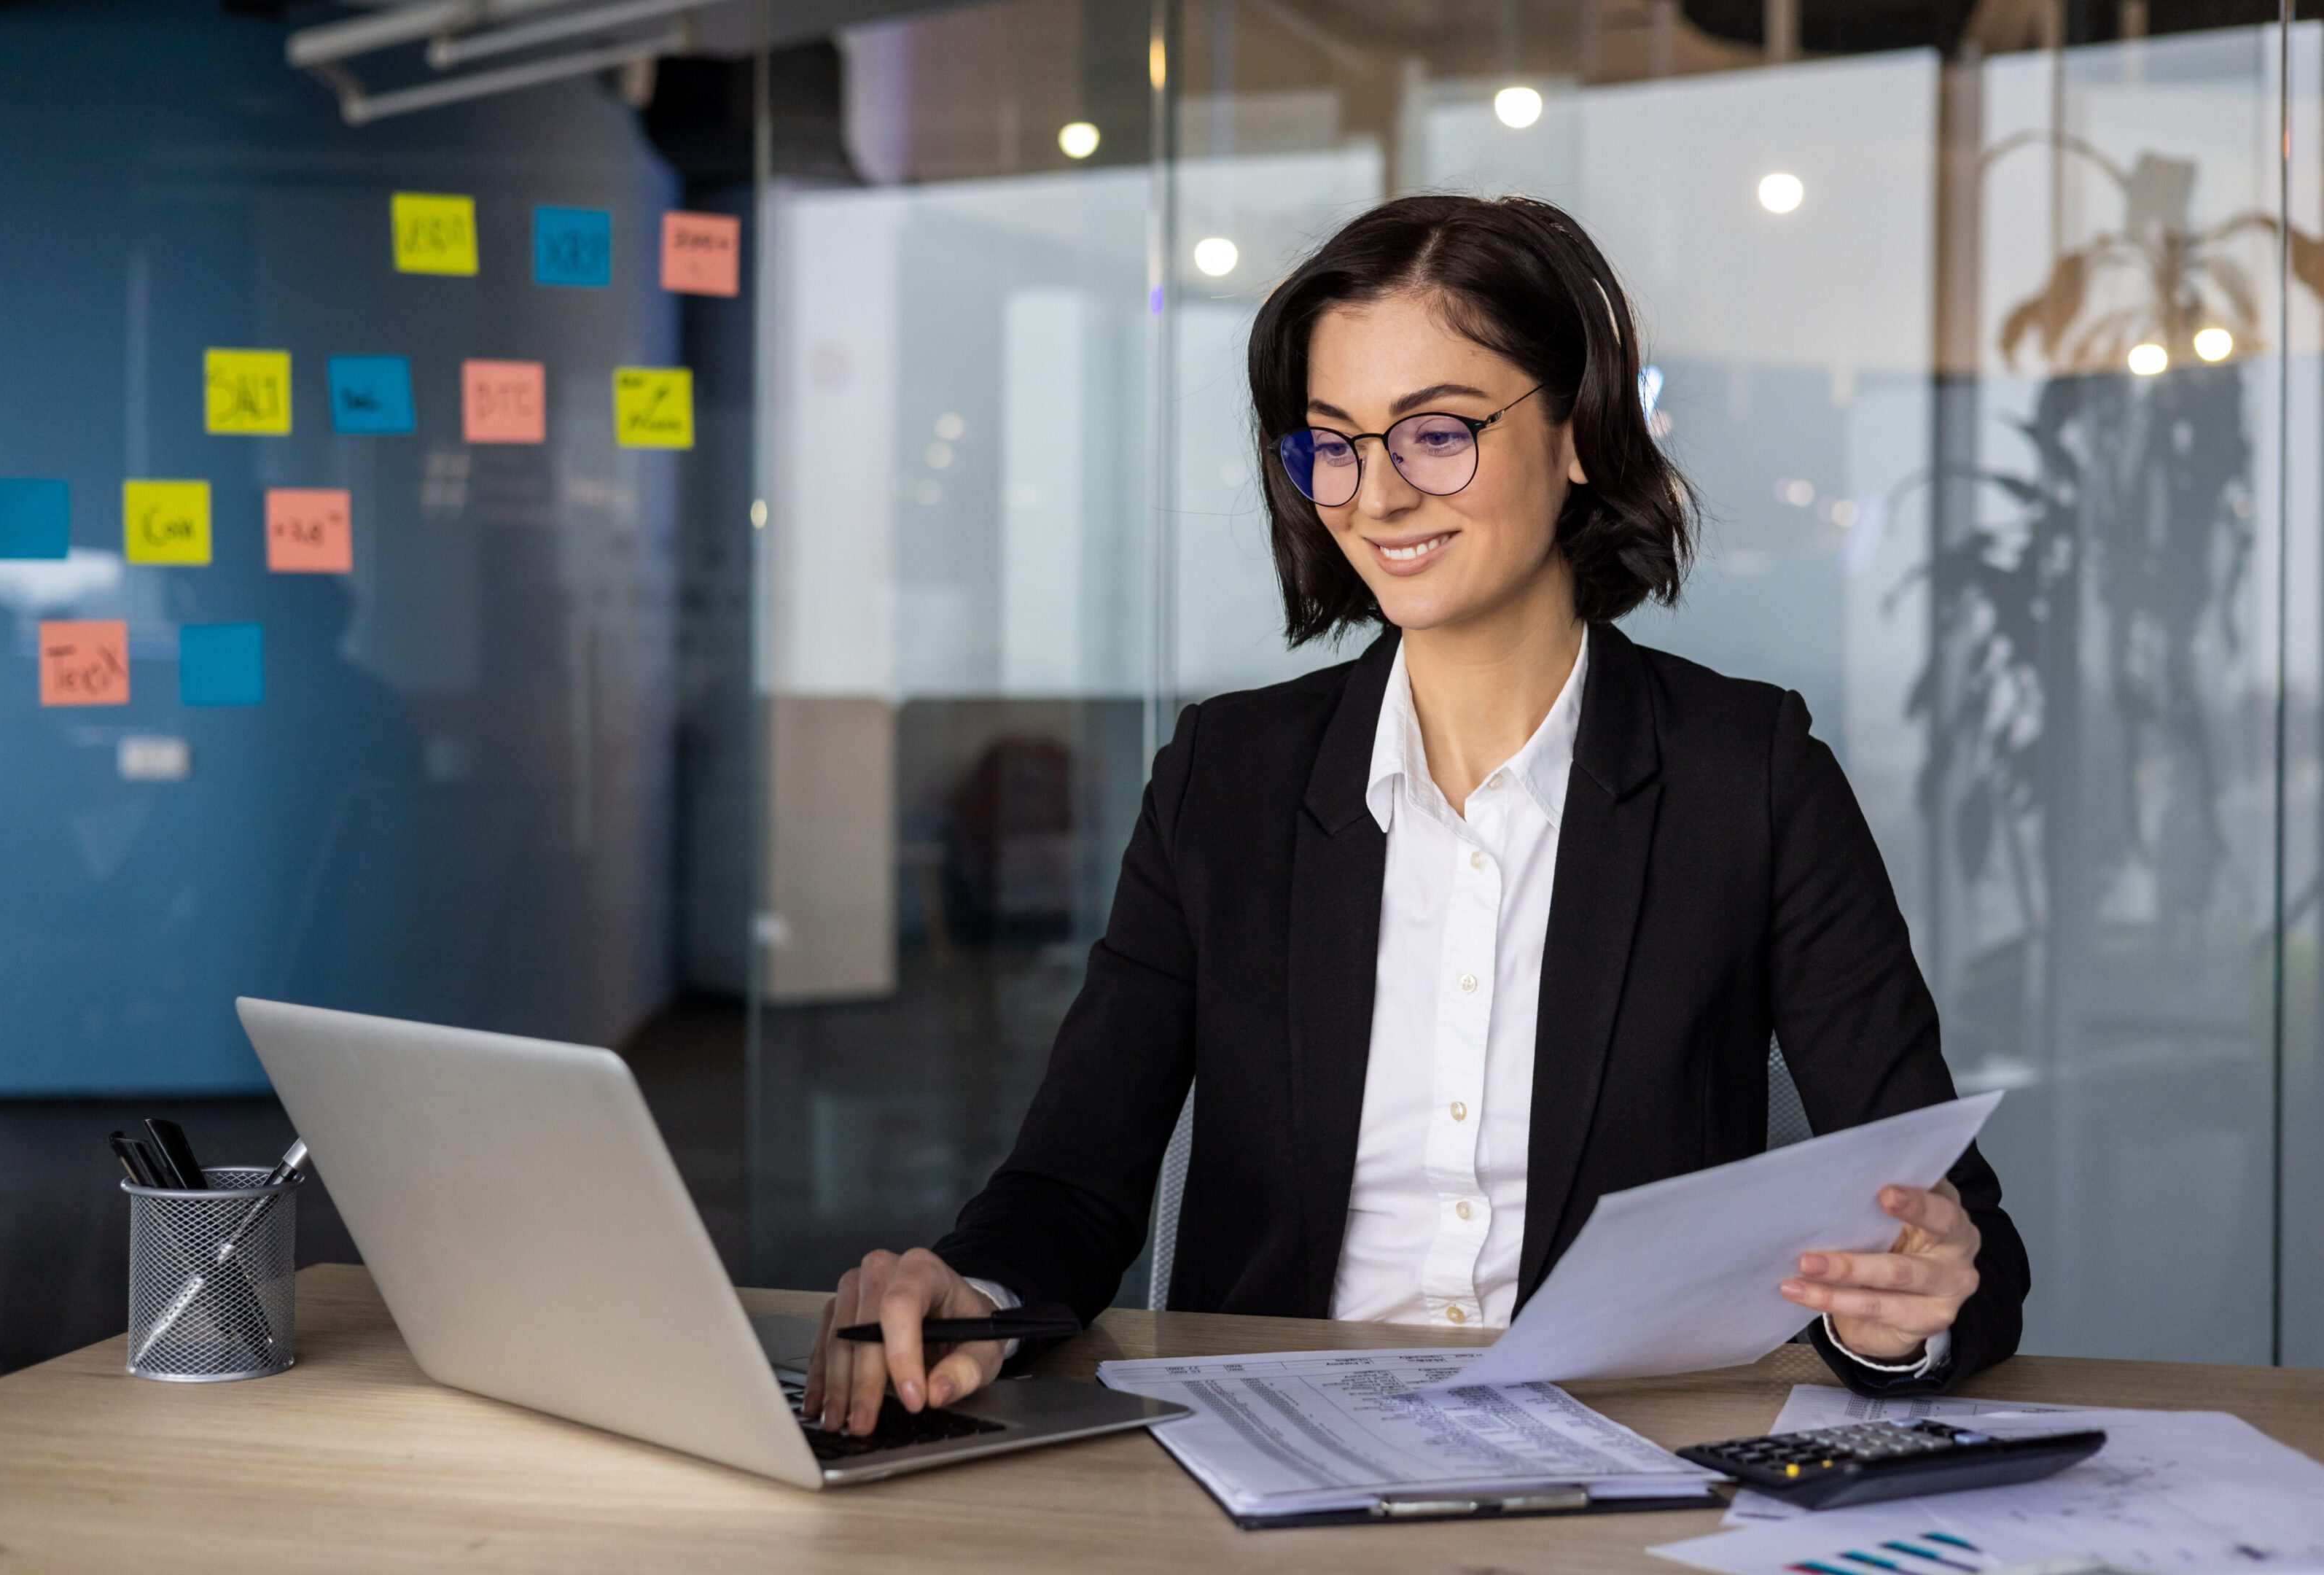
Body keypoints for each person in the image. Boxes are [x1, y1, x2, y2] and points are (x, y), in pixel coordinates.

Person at [803, 193, 2029, 1437]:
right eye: (1332, 442)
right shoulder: (1228, 778)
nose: (1376, 497)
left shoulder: (1745, 776)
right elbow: (1069, 1188)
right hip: (1258, 1458)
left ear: (1581, 434)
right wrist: (969, 1294)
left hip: (1617, 1464)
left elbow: (1947, 1218)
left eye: (1435, 433)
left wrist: (1904, 1313)